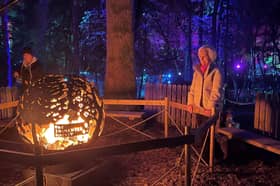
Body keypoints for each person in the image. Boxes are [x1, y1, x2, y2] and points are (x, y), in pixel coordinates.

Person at [187, 45, 223, 127]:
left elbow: (216, 92)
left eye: (204, 56)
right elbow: (192, 89)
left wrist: (210, 108)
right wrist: (190, 103)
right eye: (200, 56)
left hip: (209, 110)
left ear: (210, 56)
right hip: (198, 109)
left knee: (206, 133)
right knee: (200, 131)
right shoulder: (197, 72)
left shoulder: (216, 71)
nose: (201, 59)